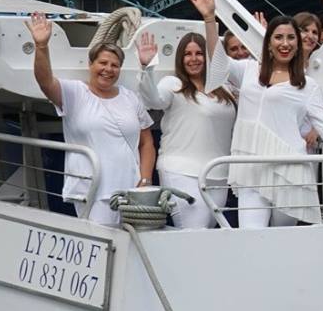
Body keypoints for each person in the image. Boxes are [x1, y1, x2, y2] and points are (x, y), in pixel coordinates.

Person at [197, 0, 323, 228]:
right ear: (268, 43)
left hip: (289, 170)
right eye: (278, 37)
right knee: (250, 235)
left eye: (291, 38)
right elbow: (218, 62)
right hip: (252, 167)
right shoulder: (247, 70)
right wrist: (210, 18)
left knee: (284, 240)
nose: (285, 43)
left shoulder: (307, 85)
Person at [28, 13, 154, 227]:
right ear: (90, 64)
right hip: (92, 191)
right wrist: (41, 46)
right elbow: (45, 82)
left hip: (131, 191)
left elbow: (147, 142)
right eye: (103, 63)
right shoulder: (75, 93)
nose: (108, 69)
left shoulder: (131, 98)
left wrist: (145, 180)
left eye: (114, 65)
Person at [134, 25, 238, 228]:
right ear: (180, 59)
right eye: (188, 54)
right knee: (194, 230)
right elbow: (153, 100)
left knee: (206, 232)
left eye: (199, 53)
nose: (194, 59)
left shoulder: (225, 89)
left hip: (218, 173)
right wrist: (147, 68)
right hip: (181, 171)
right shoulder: (173, 84)